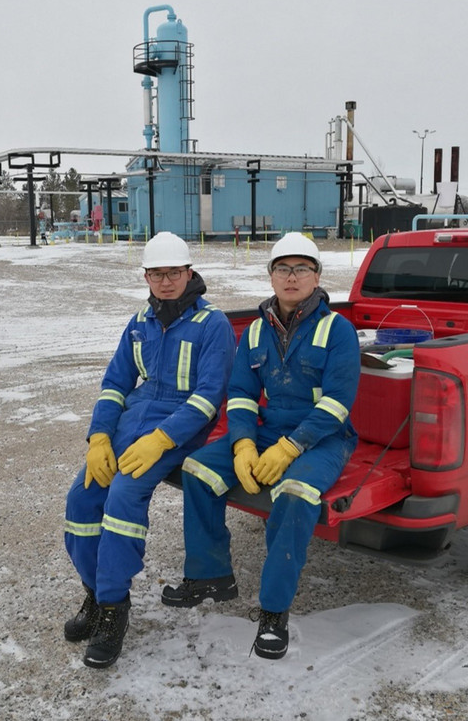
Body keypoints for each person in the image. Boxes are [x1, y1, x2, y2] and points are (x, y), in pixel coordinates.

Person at [162, 232, 360, 660]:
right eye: (283, 269)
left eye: (301, 269)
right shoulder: (254, 331)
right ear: (270, 276)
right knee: (197, 471)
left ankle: (273, 611)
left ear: (317, 276)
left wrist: (291, 448)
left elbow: (338, 403)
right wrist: (243, 445)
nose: (292, 278)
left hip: (323, 438)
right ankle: (210, 575)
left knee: (294, 495)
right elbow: (240, 394)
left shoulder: (337, 330)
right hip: (267, 432)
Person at [62, 231, 235, 669]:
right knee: (82, 497)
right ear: (146, 276)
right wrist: (99, 436)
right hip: (130, 423)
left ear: (189, 273)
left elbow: (208, 396)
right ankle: (96, 597)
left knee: (123, 496)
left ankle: (114, 611)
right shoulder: (140, 320)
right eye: (156, 274)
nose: (165, 281)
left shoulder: (211, 324)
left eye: (173, 272)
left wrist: (163, 439)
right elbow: (116, 383)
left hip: (178, 428)